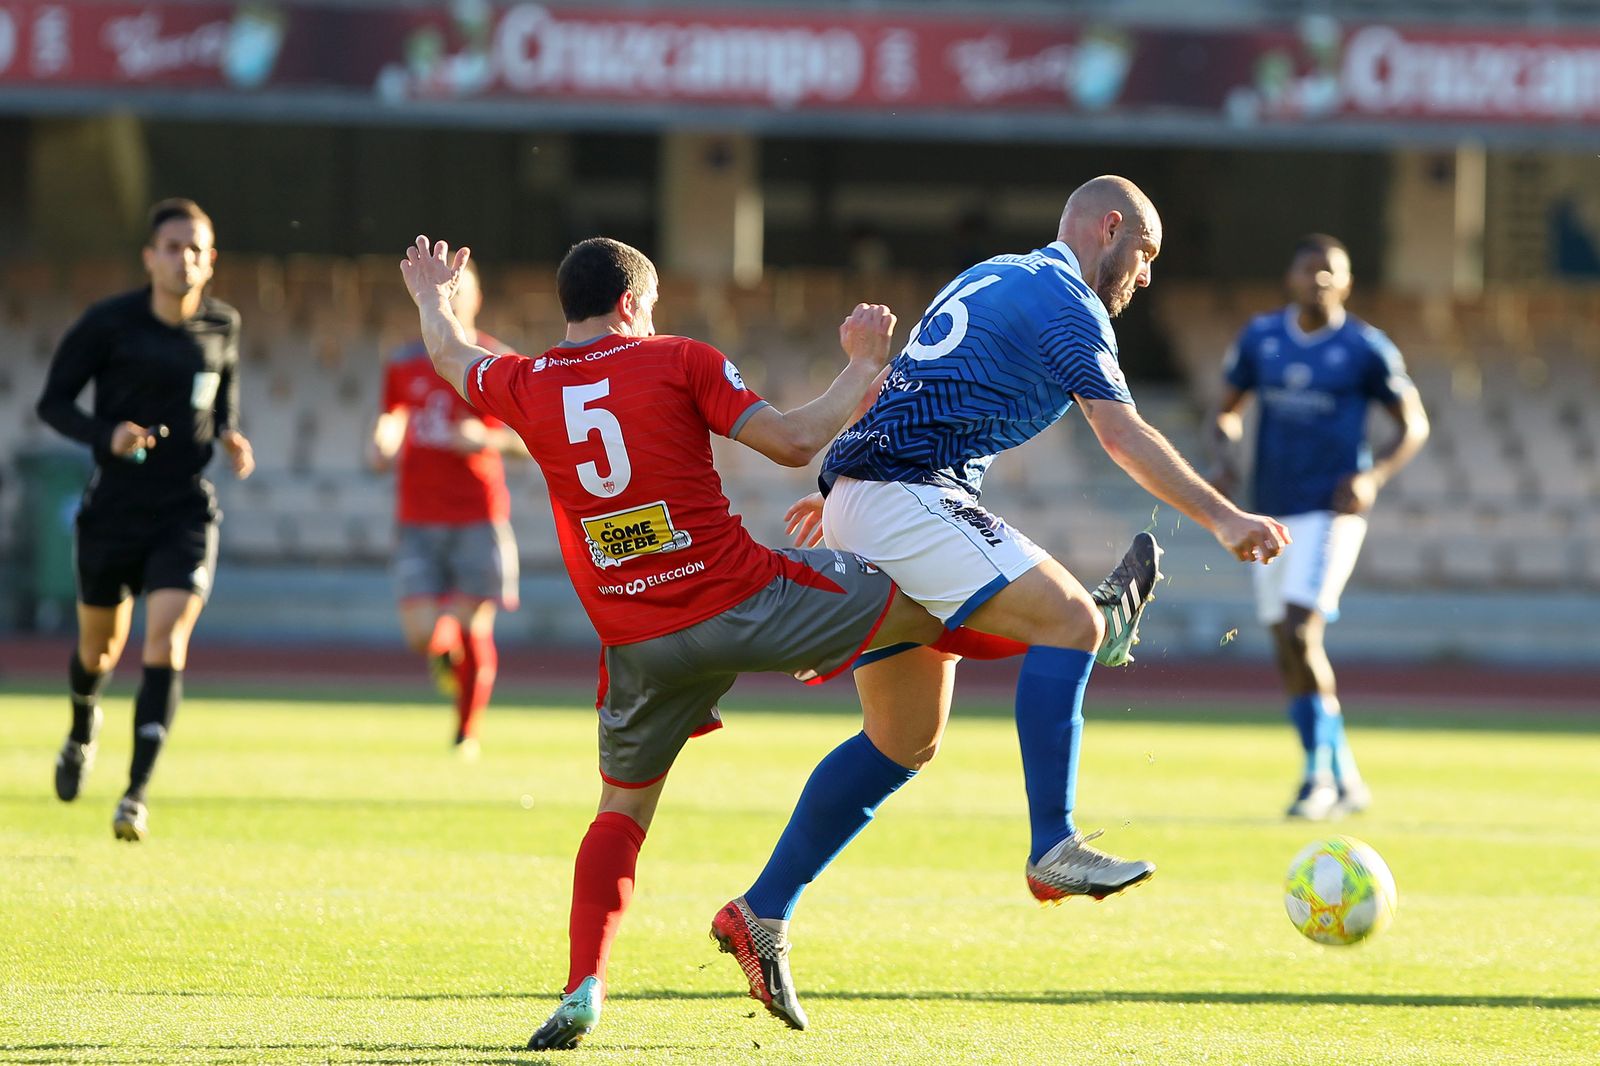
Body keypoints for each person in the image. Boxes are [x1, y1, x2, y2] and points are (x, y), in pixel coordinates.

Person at [399, 234, 1154, 1051]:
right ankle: (1092, 632)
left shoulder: (521, 382)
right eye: (647, 307)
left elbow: (448, 354)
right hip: (743, 598)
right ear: (630, 304)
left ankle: (585, 987)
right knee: (935, 598)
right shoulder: (676, 358)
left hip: (635, 638)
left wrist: (433, 297)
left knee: (620, 813)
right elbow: (794, 441)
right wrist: (863, 366)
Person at [711, 175, 1291, 1031]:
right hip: (907, 495)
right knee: (1070, 621)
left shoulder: (993, 273)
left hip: (875, 494)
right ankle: (1053, 841)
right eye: (1146, 255)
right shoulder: (1069, 301)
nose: (1146, 276)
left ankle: (760, 910)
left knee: (902, 740)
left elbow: (906, 384)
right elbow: (1122, 434)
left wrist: (841, 490)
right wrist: (1225, 516)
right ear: (1110, 229)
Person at [37, 197, 255, 842]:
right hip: (113, 512)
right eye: (172, 247)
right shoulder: (109, 324)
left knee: (166, 639)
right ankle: (83, 724)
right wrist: (106, 436)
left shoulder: (223, 325)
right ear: (149, 257)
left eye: (196, 249)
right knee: (98, 650)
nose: (183, 259)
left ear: (209, 261)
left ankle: (134, 794)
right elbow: (52, 403)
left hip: (185, 508)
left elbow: (223, 403)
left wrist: (232, 437)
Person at [1209, 233, 1429, 820]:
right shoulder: (1260, 338)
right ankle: (1344, 774)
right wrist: (1225, 448)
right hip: (1269, 509)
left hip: (1332, 509)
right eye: (1310, 270)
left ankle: (1318, 780)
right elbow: (1227, 410)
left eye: (1331, 272)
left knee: (1302, 630)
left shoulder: (1365, 348)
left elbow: (1413, 424)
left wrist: (1374, 477)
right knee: (1284, 639)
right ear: (1292, 277)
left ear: (1347, 282)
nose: (1319, 280)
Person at [369, 259, 523, 755]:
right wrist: (382, 441)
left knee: (474, 624)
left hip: (478, 514)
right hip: (417, 515)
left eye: (461, 290)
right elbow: (392, 415)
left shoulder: (500, 363)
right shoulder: (403, 362)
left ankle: (466, 733)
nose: (452, 298)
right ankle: (444, 659)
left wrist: (486, 438)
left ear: (476, 298)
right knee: (422, 634)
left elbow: (532, 440)